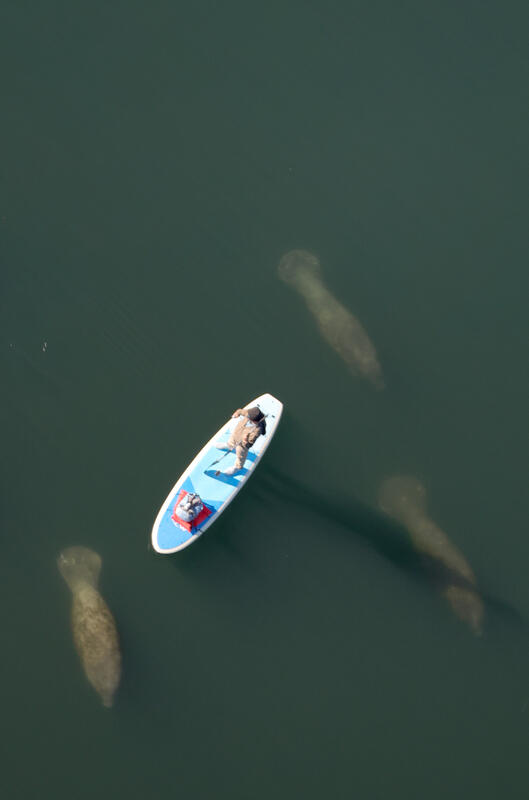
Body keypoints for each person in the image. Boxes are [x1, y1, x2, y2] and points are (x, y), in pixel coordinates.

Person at [215, 406, 266, 475]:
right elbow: (240, 411)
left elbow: (249, 444)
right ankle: (228, 446)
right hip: (236, 434)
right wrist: (236, 413)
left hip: (242, 444)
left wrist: (245, 440)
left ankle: (237, 467)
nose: (247, 415)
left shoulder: (257, 430)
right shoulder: (250, 413)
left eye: (248, 416)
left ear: (254, 420)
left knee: (241, 455)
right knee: (231, 441)